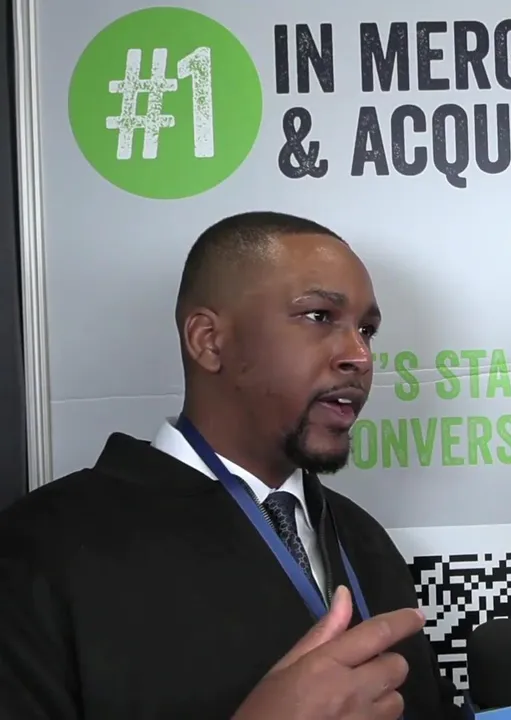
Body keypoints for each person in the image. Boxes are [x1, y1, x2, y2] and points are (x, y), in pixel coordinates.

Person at [0, 211, 463, 719]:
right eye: (319, 316)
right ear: (208, 340)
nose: (360, 356)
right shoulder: (40, 549)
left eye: (367, 330)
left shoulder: (364, 540)